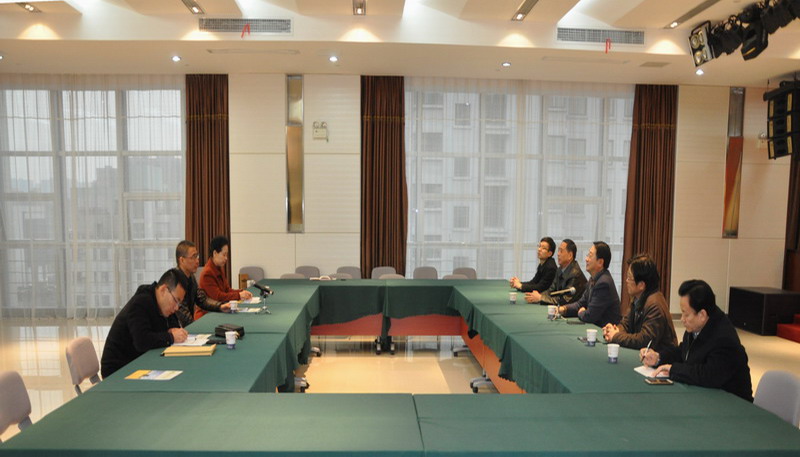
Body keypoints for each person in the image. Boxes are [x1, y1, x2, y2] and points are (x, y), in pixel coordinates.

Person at [641, 279, 753, 402]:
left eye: (686, 314)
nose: (682, 319)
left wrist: (674, 369)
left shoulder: (724, 338)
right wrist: (658, 357)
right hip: (707, 397)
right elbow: (684, 352)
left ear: (702, 315)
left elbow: (708, 375)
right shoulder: (697, 326)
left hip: (732, 403)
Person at [100, 269, 188, 378]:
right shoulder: (140, 303)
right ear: (163, 290)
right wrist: (171, 337)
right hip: (118, 370)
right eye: (176, 300)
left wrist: (174, 329)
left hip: (139, 361)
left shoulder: (163, 304)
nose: (176, 308)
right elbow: (142, 341)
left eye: (179, 303)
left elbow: (172, 322)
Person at [602, 254, 677, 352]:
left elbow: (644, 340)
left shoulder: (655, 305)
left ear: (641, 285)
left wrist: (616, 336)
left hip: (660, 358)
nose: (626, 281)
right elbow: (626, 324)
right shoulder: (638, 298)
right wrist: (614, 330)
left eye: (629, 278)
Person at [558, 241, 620, 327]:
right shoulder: (593, 279)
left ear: (600, 262)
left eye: (590, 256)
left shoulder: (603, 283)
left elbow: (590, 316)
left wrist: (581, 312)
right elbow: (580, 303)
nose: (586, 259)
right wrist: (564, 309)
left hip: (604, 331)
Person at [174, 240, 230, 327]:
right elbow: (183, 317)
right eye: (193, 257)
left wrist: (220, 306)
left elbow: (201, 299)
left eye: (197, 256)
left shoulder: (191, 277)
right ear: (182, 260)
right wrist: (196, 328)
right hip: (177, 330)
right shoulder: (176, 281)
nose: (197, 261)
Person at [198, 235, 252, 320]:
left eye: (227, 255)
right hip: (207, 316)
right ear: (215, 253)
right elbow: (218, 297)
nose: (226, 258)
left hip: (220, 311)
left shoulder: (218, 268)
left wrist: (242, 292)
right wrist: (239, 295)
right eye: (224, 255)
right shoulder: (207, 273)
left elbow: (227, 290)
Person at [525, 239, 587, 306]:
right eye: (558, 251)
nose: (558, 254)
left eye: (561, 251)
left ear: (570, 255)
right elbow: (551, 291)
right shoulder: (560, 269)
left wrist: (540, 298)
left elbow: (564, 300)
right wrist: (538, 296)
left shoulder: (575, 274)